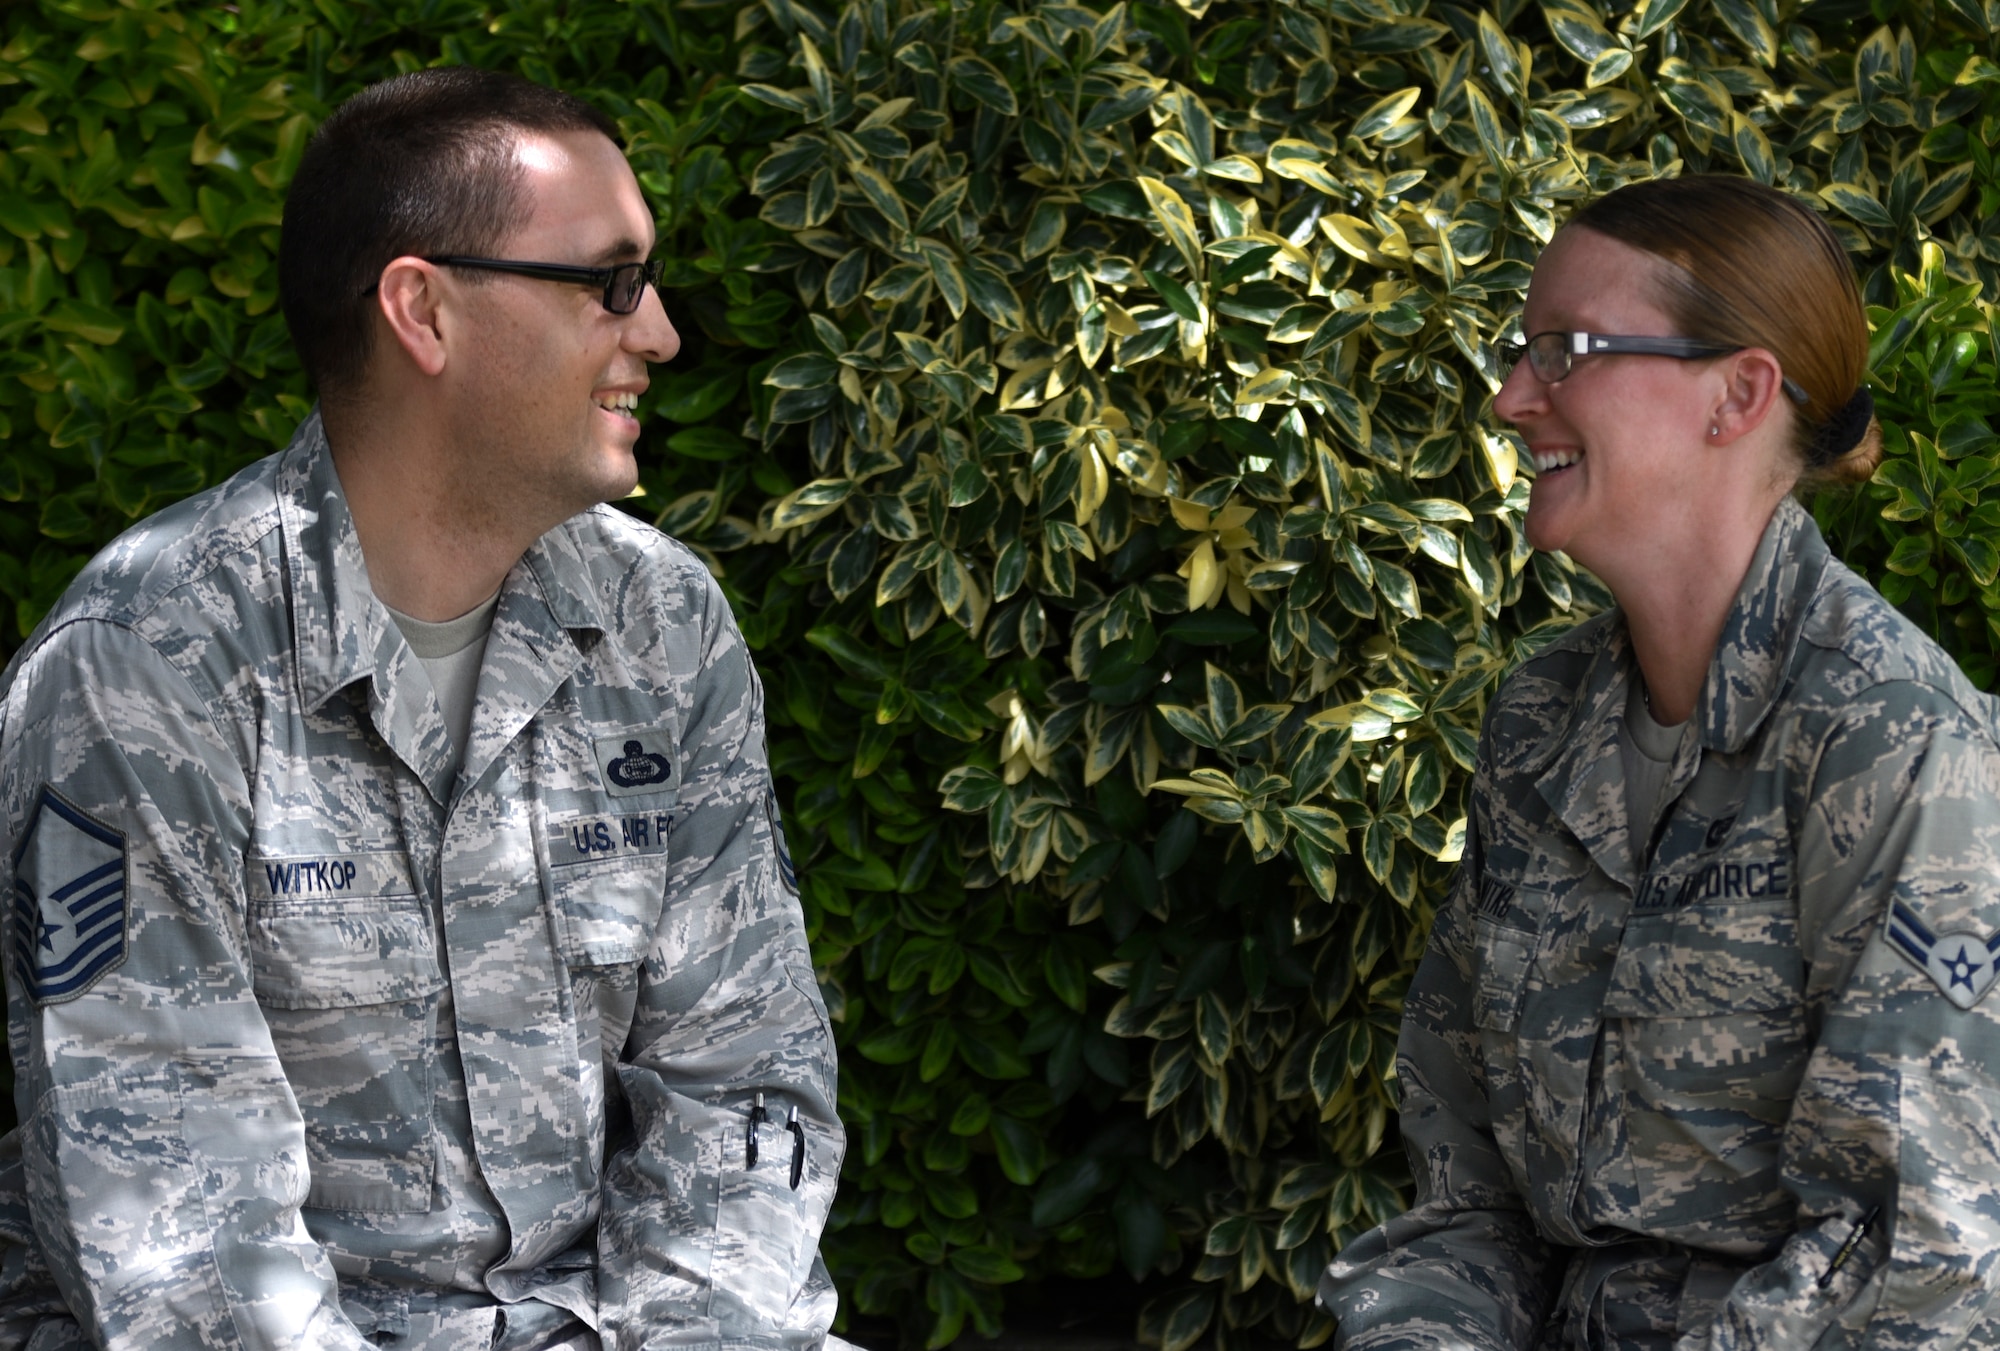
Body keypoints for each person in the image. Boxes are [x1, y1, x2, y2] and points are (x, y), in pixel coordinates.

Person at [0, 67, 846, 1350]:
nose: (661, 330)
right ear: (423, 310)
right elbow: (178, 1237)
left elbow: (745, 1084)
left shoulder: (660, 624)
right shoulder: (146, 667)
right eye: (610, 282)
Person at [1319, 174, 2000, 1347]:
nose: (1507, 399)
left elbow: (1913, 1259)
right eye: (1518, 351)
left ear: (1736, 393)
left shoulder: (1886, 738)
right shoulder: (1539, 719)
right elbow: (1468, 1192)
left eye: (1562, 350)